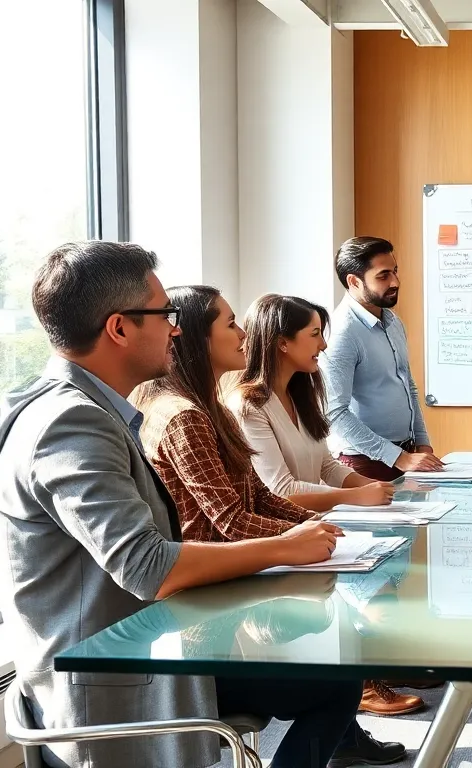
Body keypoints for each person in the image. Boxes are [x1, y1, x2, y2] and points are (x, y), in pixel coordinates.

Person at [0, 241, 359, 768]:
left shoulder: (85, 409)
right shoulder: (72, 423)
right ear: (119, 328)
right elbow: (149, 567)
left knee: (331, 679)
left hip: (146, 654)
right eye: (165, 315)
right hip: (113, 690)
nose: (175, 330)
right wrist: (285, 547)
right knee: (332, 683)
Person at [134, 285, 418, 759]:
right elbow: (230, 519)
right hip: (203, 624)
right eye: (230, 324)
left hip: (229, 594)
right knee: (338, 684)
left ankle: (346, 740)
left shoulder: (209, 408)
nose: (243, 333)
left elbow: (261, 497)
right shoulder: (185, 417)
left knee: (335, 649)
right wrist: (300, 537)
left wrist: (323, 531)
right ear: (196, 338)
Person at [227, 293, 397, 512]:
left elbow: (327, 466)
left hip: (313, 523)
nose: (323, 345)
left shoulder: (299, 395)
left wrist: (379, 488)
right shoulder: (248, 406)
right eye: (315, 334)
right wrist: (357, 496)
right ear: (282, 343)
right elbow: (282, 490)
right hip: (284, 529)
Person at [322, 236, 444, 480]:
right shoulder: (343, 333)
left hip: (405, 454)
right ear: (354, 281)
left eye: (395, 271)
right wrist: (397, 457)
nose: (395, 281)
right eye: (383, 275)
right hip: (364, 462)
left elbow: (408, 386)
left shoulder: (393, 322)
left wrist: (422, 443)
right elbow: (334, 412)